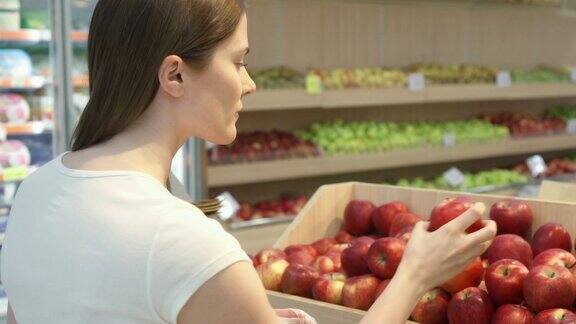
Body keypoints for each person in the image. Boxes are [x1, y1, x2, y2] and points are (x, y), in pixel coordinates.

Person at [0, 1, 497, 323]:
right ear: (174, 75)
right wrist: (415, 275)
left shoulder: (38, 190)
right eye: (238, 61)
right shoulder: (182, 240)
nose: (249, 82)